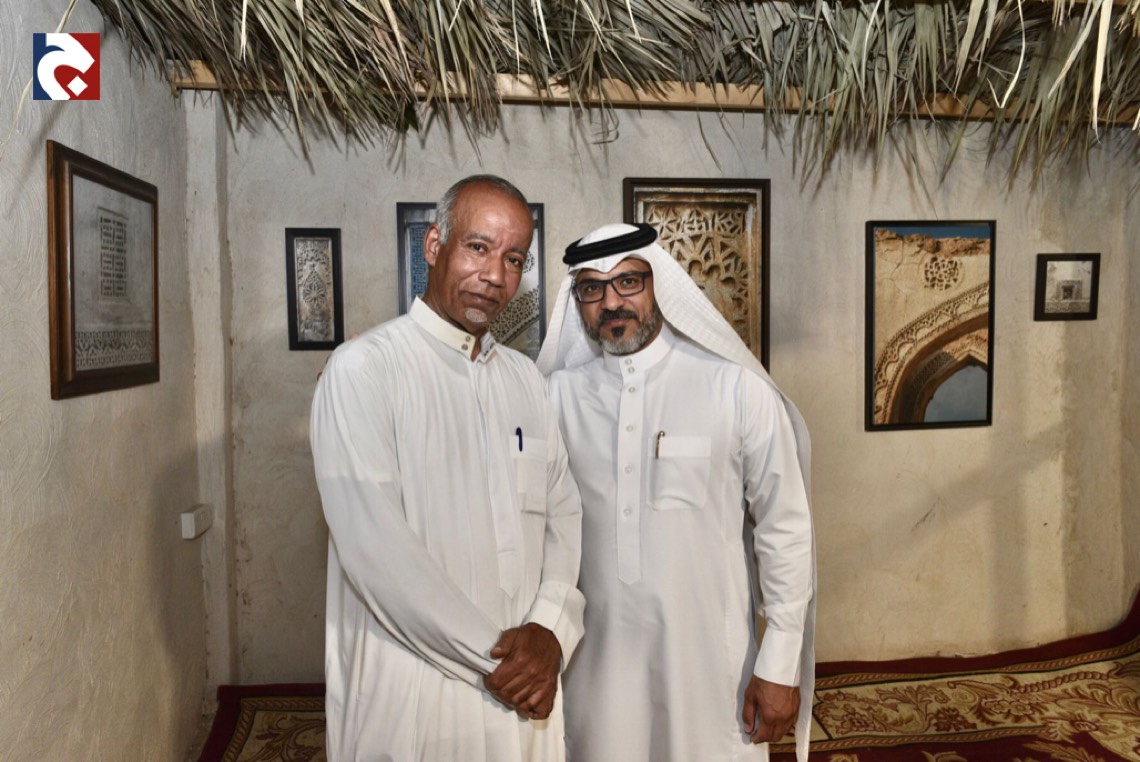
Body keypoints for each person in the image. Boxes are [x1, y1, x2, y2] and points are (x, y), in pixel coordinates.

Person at [310, 175, 585, 762]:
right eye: (478, 247)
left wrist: (550, 628)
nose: (495, 275)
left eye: (514, 259)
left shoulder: (525, 380)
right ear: (434, 245)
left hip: (524, 684)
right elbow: (378, 552)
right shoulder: (364, 369)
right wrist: (503, 661)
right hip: (417, 684)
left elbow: (562, 513)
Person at [537, 222, 817, 762]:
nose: (611, 302)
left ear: (659, 284)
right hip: (593, 668)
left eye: (628, 282)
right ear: (578, 301)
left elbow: (783, 528)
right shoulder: (556, 397)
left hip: (712, 668)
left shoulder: (736, 389)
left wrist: (780, 662)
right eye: (592, 288)